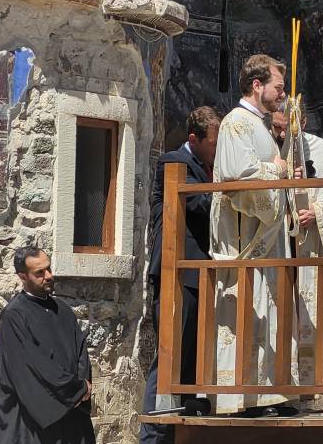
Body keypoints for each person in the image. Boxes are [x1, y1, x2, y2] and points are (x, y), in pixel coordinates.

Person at [209, 54, 297, 416]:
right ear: (257, 85)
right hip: (244, 237)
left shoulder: (259, 125)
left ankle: (265, 392)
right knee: (245, 310)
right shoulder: (236, 123)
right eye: (278, 86)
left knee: (265, 310)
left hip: (263, 236)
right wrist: (276, 170)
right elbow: (236, 177)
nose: (282, 94)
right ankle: (240, 395)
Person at [140, 107, 221, 443]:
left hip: (198, 273)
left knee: (192, 356)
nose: (217, 150)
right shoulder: (174, 163)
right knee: (170, 353)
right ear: (194, 139)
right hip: (177, 272)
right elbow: (198, 204)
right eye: (213, 144)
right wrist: (230, 186)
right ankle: (154, 434)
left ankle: (180, 431)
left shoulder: (205, 167)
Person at [270, 102, 323, 401]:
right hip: (276, 246)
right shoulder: (267, 149)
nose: (281, 134)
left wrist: (317, 212)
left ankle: (310, 389)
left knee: (308, 317)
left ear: (301, 122)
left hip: (308, 249)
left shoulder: (320, 150)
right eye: (276, 127)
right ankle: (276, 391)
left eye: (286, 127)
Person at [0, 247, 95, 444]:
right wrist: (75, 390)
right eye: (39, 273)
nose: (49, 276)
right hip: (33, 424)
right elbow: (32, 368)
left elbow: (81, 354)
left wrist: (82, 387)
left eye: (49, 269)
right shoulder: (14, 316)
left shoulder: (64, 310)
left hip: (72, 416)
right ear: (23, 276)